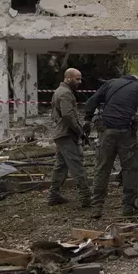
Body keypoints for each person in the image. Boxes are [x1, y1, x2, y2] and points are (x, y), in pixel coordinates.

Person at [84, 74, 138, 218]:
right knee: (131, 169)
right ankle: (128, 208)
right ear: (136, 81)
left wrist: (87, 119)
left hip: (106, 131)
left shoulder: (110, 83)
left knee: (102, 168)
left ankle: (96, 208)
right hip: (126, 133)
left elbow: (92, 101)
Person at [48, 68, 91, 207]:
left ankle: (53, 195)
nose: (80, 81)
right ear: (68, 78)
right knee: (76, 165)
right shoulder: (66, 93)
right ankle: (86, 197)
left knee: (61, 166)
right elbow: (68, 115)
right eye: (77, 79)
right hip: (66, 135)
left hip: (62, 134)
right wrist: (80, 131)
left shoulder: (60, 91)